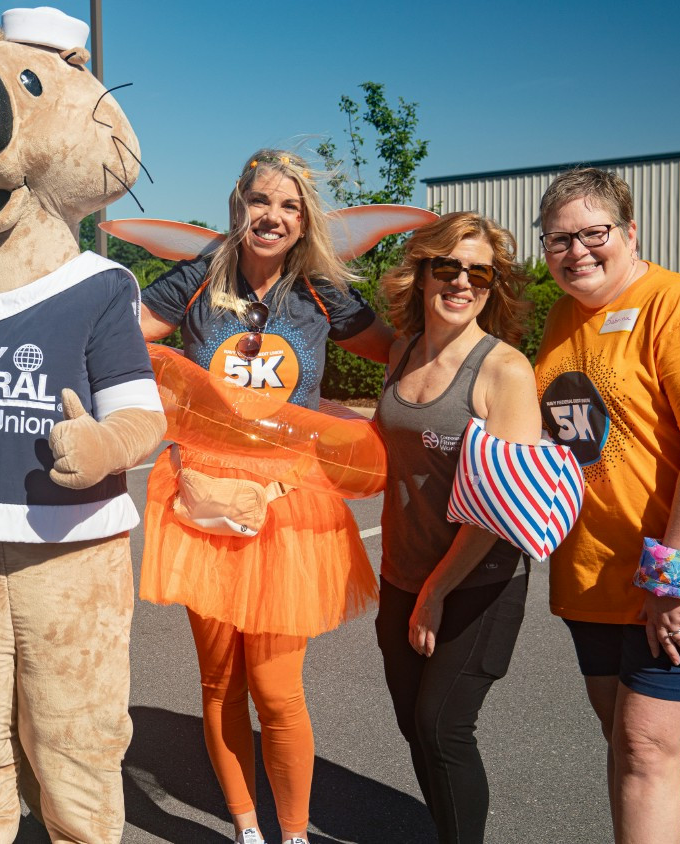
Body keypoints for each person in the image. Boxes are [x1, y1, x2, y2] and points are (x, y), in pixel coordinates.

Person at [137, 149, 392, 844]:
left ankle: (295, 833)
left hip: (288, 506)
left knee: (278, 693)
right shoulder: (196, 280)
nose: (272, 216)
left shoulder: (319, 293)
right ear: (238, 204)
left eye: (289, 205)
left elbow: (403, 358)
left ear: (304, 218)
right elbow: (118, 340)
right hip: (203, 503)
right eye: (260, 201)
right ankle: (248, 830)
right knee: (221, 686)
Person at [533, 168, 680, 843]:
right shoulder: (562, 317)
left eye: (594, 233)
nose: (577, 252)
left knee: (647, 748)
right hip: (592, 575)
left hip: (677, 583)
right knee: (624, 745)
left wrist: (673, 585)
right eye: (559, 239)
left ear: (630, 231)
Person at [371, 212, 540, 844]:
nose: (463, 282)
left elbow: (502, 508)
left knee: (443, 726)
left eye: (480, 273)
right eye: (448, 267)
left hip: (476, 582)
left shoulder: (505, 372)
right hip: (402, 573)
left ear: (494, 286)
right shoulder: (401, 351)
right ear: (421, 275)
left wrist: (437, 593)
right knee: (414, 725)